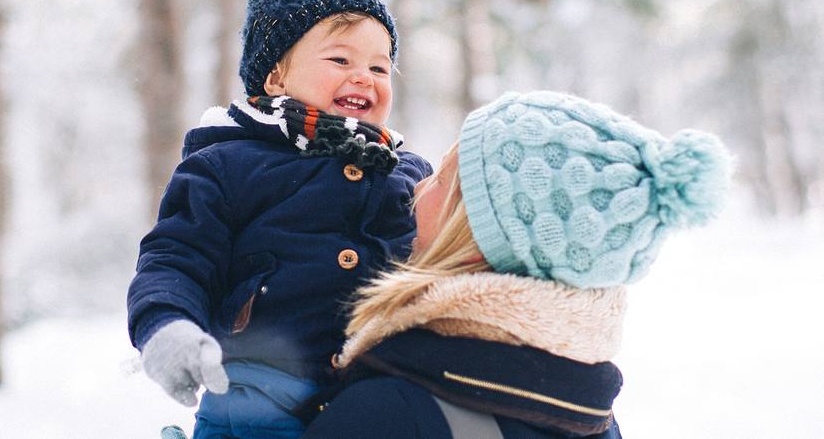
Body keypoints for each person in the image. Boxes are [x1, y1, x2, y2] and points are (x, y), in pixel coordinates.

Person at [300, 90, 732, 438]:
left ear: (476, 239)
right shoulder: (587, 416)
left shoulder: (391, 414)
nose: (418, 186)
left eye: (444, 179)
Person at [126, 0, 433, 439]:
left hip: (383, 400)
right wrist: (167, 325)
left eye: (379, 66)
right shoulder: (228, 166)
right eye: (340, 61)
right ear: (274, 78)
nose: (364, 78)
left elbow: (451, 259)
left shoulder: (408, 174)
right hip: (259, 400)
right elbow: (177, 257)